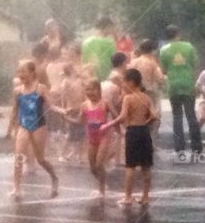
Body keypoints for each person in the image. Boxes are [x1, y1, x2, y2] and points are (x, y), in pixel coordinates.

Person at [102, 68, 159, 206]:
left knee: (130, 167)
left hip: (133, 132)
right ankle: (145, 196)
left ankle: (128, 196)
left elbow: (122, 116)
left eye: (124, 83)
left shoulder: (128, 98)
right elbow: (154, 115)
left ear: (132, 82)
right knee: (146, 167)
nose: (122, 86)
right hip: (144, 132)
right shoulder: (146, 97)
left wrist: (108, 124)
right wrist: (145, 122)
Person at [8, 60, 60, 199]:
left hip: (38, 126)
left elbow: (51, 105)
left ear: (32, 73)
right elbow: (14, 111)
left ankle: (54, 178)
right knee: (18, 157)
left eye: (23, 71)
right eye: (19, 71)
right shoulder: (17, 91)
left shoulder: (40, 88)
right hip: (23, 126)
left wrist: (63, 111)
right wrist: (9, 129)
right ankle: (17, 188)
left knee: (41, 159)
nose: (20, 74)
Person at [159, 25, 201, 156]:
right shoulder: (189, 47)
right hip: (188, 84)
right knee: (191, 115)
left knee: (177, 116)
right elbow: (195, 64)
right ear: (178, 33)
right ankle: (196, 147)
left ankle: (179, 147)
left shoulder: (164, 50)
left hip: (173, 86)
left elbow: (164, 69)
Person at [68, 79, 113, 197]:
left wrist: (114, 128)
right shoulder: (84, 105)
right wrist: (67, 119)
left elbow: (117, 117)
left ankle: (102, 190)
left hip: (103, 136)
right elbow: (79, 121)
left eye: (93, 89)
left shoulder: (105, 103)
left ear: (99, 90)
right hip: (92, 138)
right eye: (87, 89)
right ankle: (102, 182)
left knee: (99, 164)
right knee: (92, 168)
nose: (90, 92)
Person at [131, 39, 165, 144]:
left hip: (134, 94)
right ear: (152, 51)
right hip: (150, 94)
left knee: (137, 118)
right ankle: (151, 142)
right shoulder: (152, 63)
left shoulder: (133, 62)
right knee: (155, 118)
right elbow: (160, 79)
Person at [81, 16, 118, 81]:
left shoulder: (86, 42)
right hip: (106, 79)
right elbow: (114, 63)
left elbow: (84, 61)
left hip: (91, 79)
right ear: (107, 27)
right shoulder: (110, 43)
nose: (113, 29)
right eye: (112, 27)